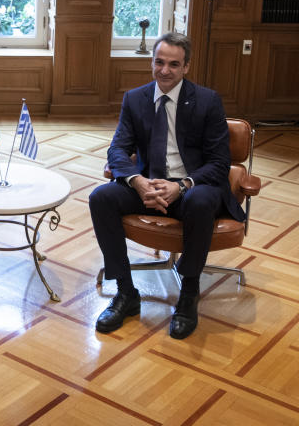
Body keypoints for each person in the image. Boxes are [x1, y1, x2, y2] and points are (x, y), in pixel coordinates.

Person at [88, 32, 244, 339]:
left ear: (186, 67)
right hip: (149, 184)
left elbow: (219, 162)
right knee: (101, 197)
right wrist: (138, 181)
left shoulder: (208, 101)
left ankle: (188, 294)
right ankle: (126, 292)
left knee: (200, 201)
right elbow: (117, 149)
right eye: (159, 62)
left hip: (192, 187)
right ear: (151, 62)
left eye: (174, 64)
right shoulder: (135, 98)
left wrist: (182, 185)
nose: (165, 70)